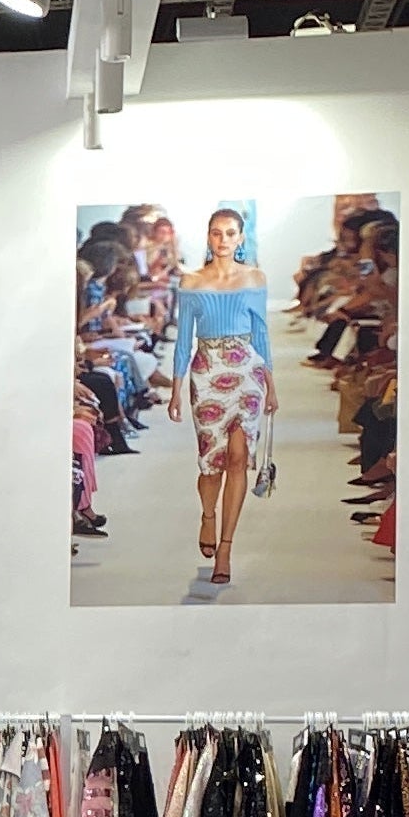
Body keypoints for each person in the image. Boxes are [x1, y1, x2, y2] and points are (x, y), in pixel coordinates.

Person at [167, 205, 273, 590]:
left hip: (248, 370)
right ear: (208, 237)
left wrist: (271, 385)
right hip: (207, 371)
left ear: (241, 238)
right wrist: (176, 389)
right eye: (216, 233)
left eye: (230, 233)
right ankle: (208, 514)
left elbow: (261, 334)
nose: (223, 240)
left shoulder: (255, 278)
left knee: (239, 458)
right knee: (211, 463)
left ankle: (226, 547)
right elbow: (183, 340)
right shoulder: (192, 283)